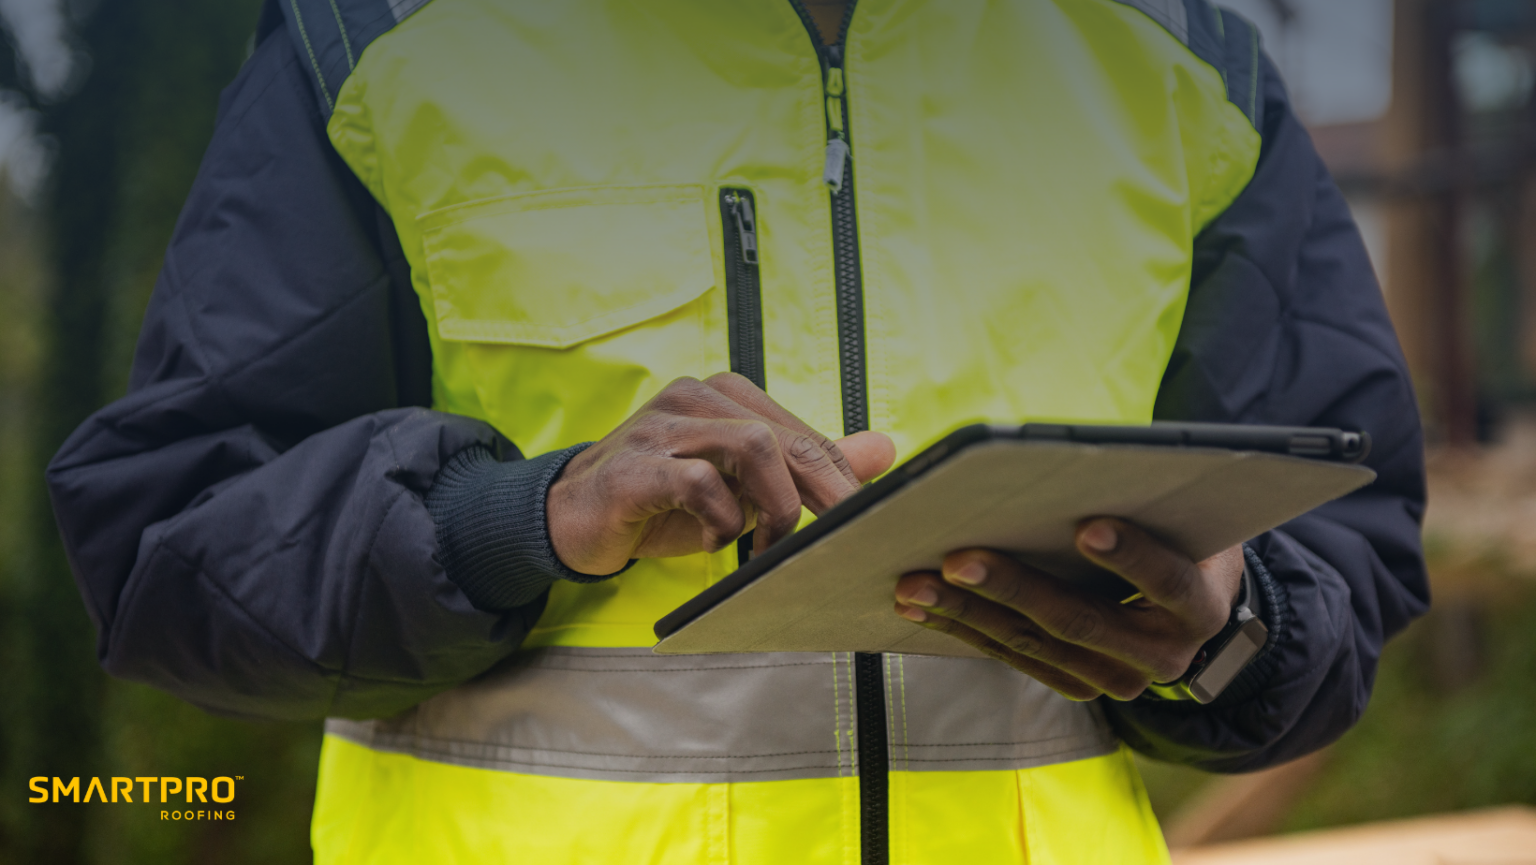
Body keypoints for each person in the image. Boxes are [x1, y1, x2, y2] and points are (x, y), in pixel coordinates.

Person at [47, 0, 1428, 862]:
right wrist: (520, 520)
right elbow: (174, 552)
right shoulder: (385, 41)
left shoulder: (1184, 62)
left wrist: (1228, 631)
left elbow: (1351, 543)